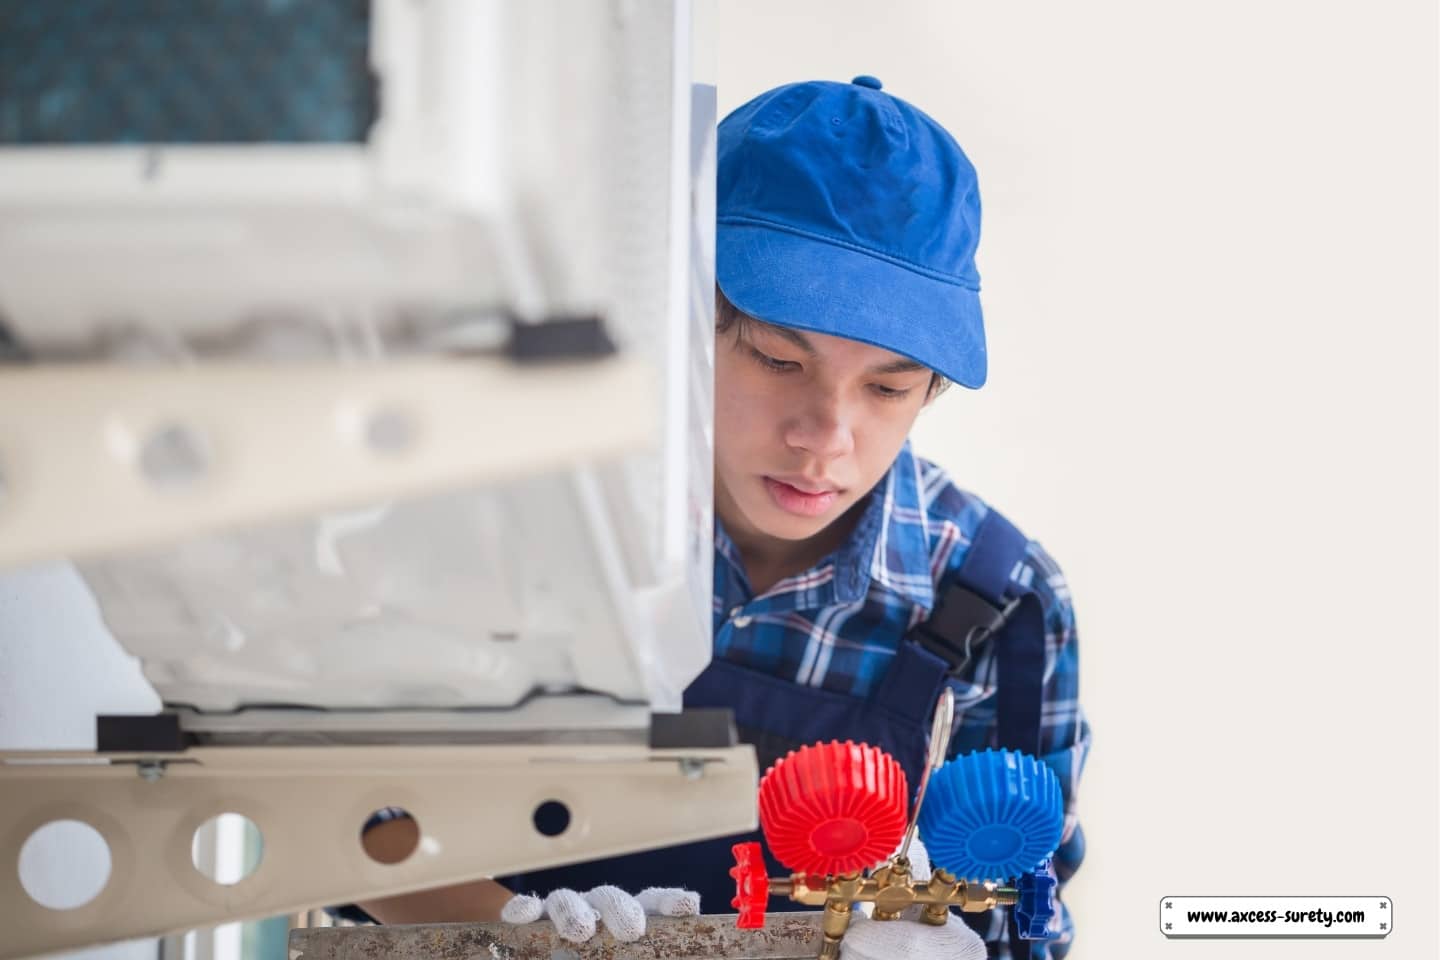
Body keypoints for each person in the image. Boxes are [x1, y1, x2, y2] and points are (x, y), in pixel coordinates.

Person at [352, 76, 1091, 960]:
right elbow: (345, 803)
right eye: (781, 360)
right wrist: (502, 936)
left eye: (888, 388)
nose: (827, 437)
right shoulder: (513, 517)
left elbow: (1022, 910)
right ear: (681, 317)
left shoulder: (999, 606)